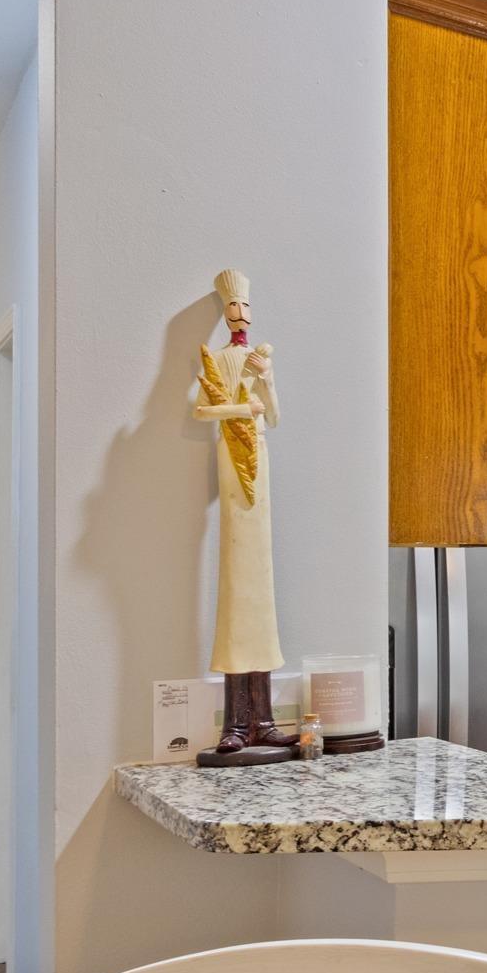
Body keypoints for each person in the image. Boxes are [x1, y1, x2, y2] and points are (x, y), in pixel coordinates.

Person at [190, 269, 295, 758]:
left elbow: (273, 416)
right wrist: (240, 410)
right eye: (234, 307)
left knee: (262, 588)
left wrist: (268, 381)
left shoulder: (257, 360)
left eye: (246, 307)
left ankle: (265, 720)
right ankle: (236, 723)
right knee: (237, 590)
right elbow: (202, 413)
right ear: (226, 311)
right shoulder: (218, 361)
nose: (241, 314)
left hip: (261, 465)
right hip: (232, 464)